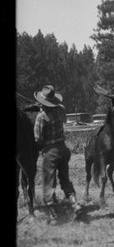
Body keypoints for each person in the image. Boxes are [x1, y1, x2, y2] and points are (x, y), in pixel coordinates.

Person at [33, 85, 80, 214]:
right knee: (65, 179)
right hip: (64, 150)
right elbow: (60, 108)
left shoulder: (41, 117)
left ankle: (53, 211)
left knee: (49, 182)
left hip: (51, 152)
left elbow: (38, 138)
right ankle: (75, 203)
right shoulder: (60, 111)